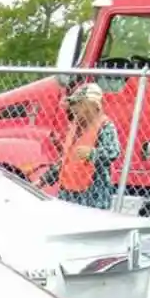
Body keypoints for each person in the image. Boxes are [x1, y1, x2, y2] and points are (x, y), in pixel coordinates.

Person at [48, 82, 122, 210]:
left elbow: (114, 151)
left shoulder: (105, 126)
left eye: (79, 103)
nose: (73, 108)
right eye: (73, 104)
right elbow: (66, 159)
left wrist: (93, 153)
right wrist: (45, 179)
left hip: (92, 195)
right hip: (68, 192)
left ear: (92, 105)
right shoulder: (75, 127)